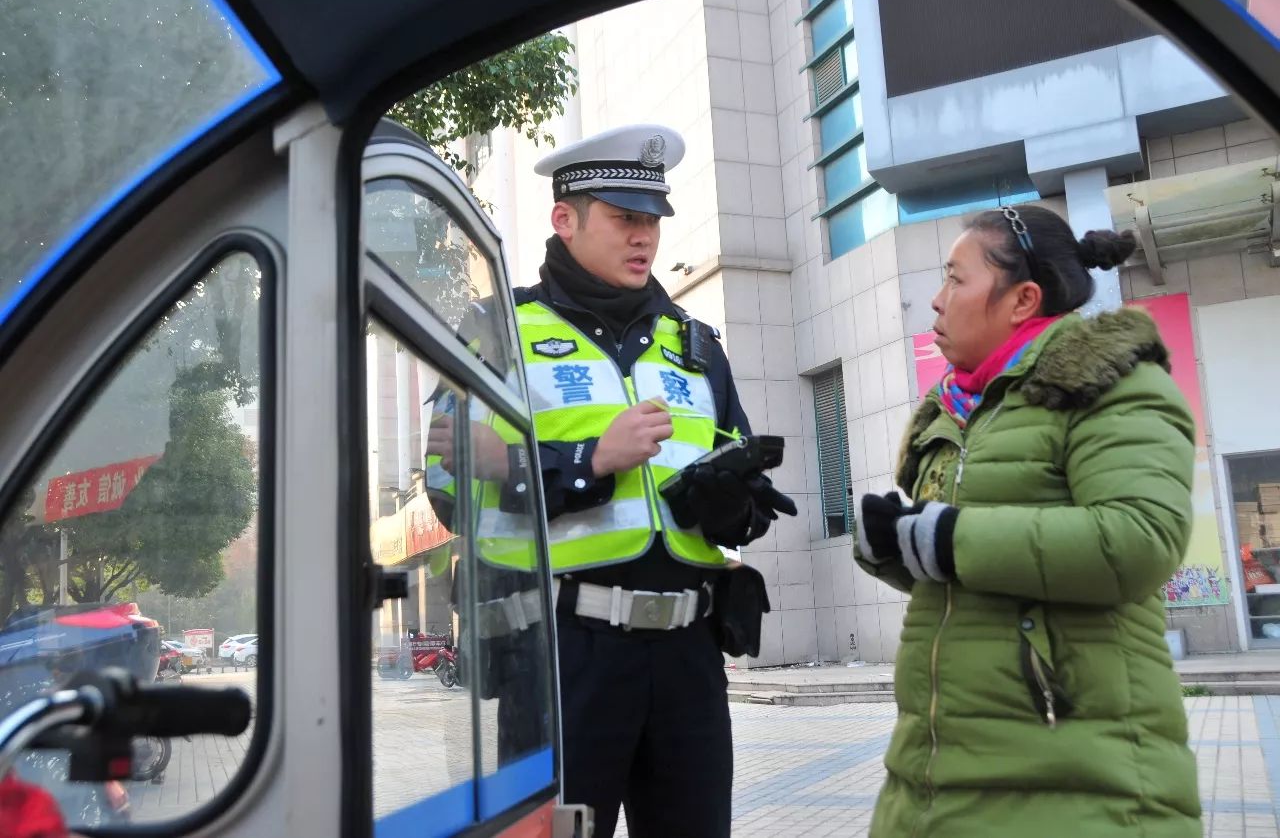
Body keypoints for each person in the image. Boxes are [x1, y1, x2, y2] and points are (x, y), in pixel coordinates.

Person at [430, 123, 794, 837]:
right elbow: (448, 486)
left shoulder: (694, 345)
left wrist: (730, 504)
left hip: (689, 658)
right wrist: (587, 463)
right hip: (560, 660)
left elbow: (740, 497)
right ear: (565, 219)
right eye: (625, 218)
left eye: (653, 221)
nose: (645, 238)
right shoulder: (497, 331)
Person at [852, 204, 1201, 837]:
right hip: (932, 780)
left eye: (956, 279)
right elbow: (972, 574)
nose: (936, 301)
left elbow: (1139, 540)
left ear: (1023, 299)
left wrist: (946, 539)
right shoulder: (953, 413)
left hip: (1079, 781)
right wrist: (896, 549)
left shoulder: (1114, 386)